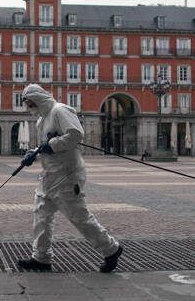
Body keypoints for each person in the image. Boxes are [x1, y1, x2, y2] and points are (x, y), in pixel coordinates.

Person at [18, 84, 123, 273]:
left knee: (78, 216)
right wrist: (33, 153)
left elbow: (76, 134)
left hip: (68, 175)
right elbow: (45, 145)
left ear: (38, 99)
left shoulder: (60, 111)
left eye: (30, 103)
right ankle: (40, 258)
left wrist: (53, 145)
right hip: (49, 176)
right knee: (41, 216)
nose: (29, 108)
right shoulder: (41, 120)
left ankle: (111, 249)